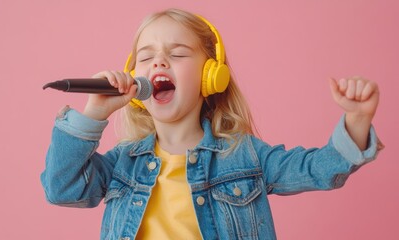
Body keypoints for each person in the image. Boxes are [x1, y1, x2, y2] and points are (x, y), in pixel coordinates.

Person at [41, 8, 383, 240]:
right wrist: (93, 113)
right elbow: (62, 188)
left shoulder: (245, 156)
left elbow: (319, 169)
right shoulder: (121, 164)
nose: (159, 60)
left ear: (211, 77)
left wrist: (357, 119)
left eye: (177, 54)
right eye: (146, 57)